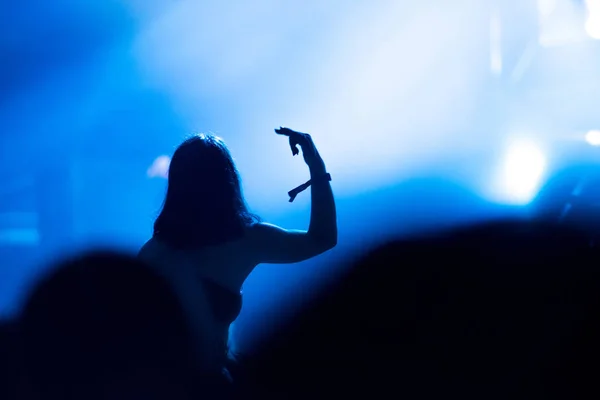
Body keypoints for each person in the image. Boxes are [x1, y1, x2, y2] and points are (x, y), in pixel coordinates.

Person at [137, 128, 337, 386]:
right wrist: (316, 165)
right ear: (227, 180)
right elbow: (322, 238)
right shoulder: (248, 240)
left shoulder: (154, 252)